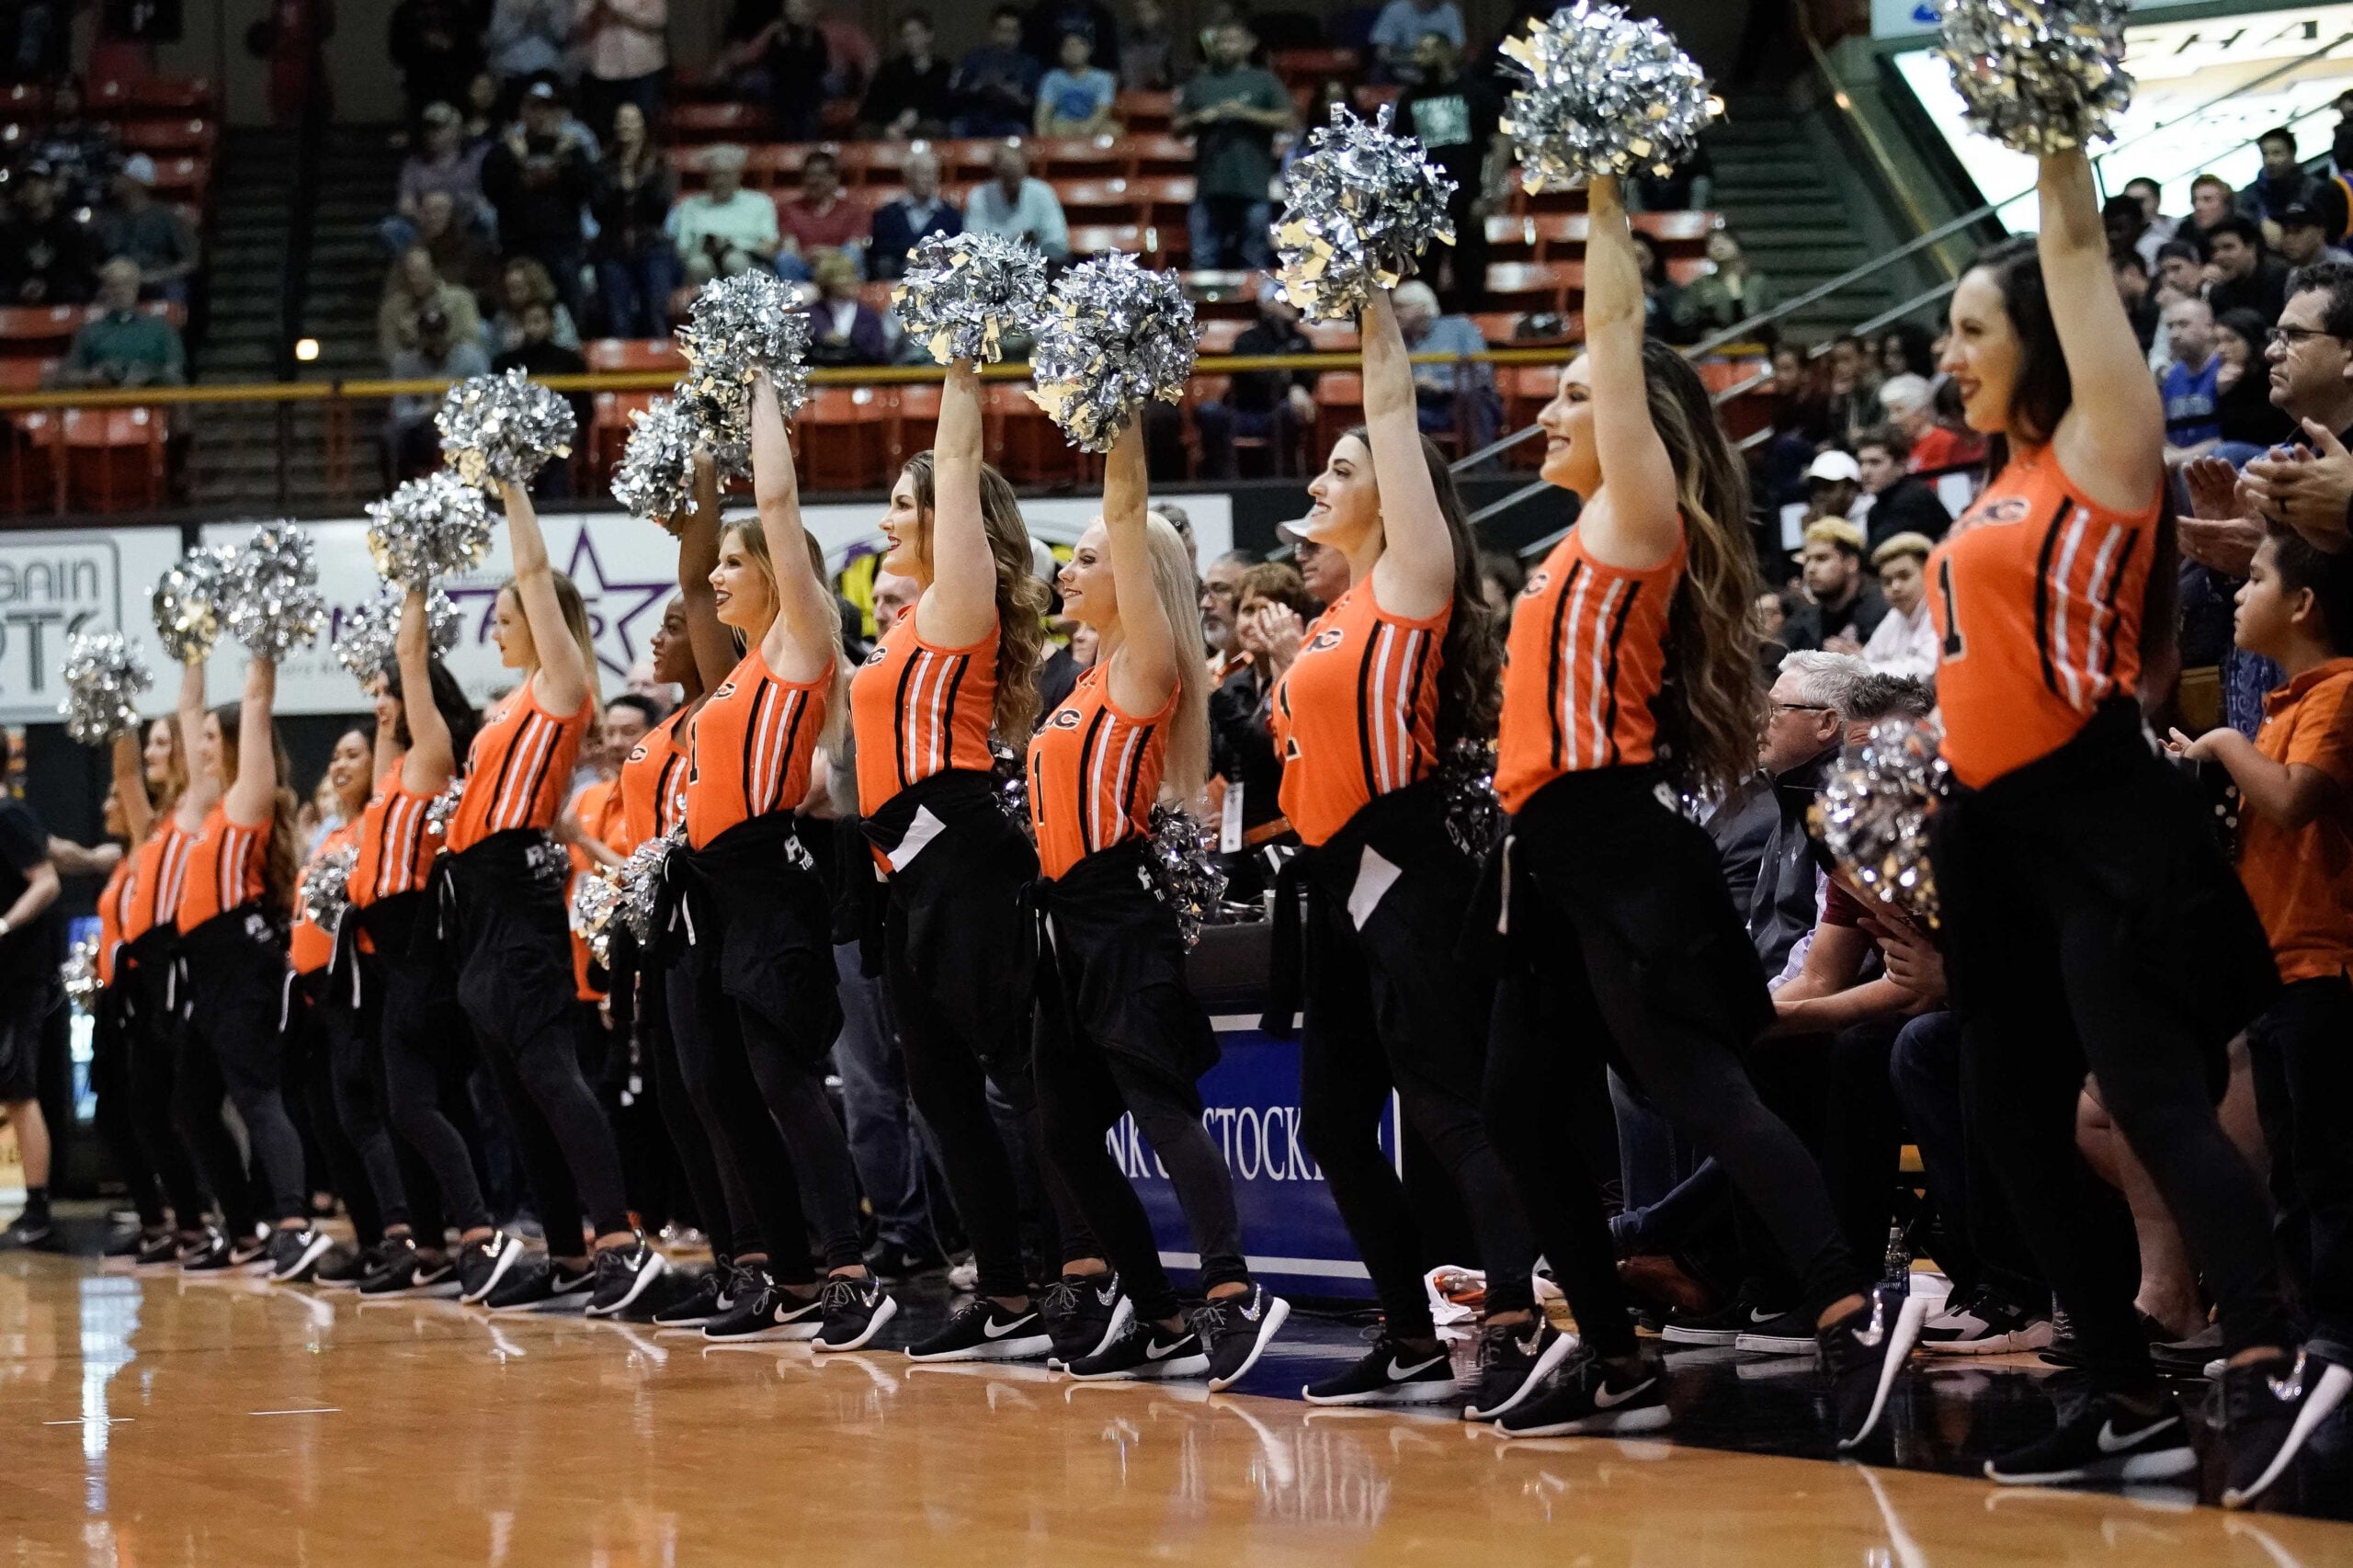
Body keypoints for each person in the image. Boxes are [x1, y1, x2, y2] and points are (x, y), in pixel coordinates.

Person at [1480, 165, 1916, 1448]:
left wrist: (1605, 195)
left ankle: (1845, 1308)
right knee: (1517, 1106)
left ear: (1636, 423)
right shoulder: (1571, 545)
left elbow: (1615, 344)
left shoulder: (1637, 519)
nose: (1553, 409)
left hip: (1613, 838)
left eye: (1576, 394)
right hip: (1543, 852)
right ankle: (1609, 1351)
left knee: (1700, 1087)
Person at [1927, 141, 2309, 1495]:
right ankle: (2119, 1377)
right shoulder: (1999, 480)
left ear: (2040, 341)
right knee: (2010, 1116)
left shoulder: (2104, 445)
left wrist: (2051, 131)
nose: (1947, 350)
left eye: (1971, 327)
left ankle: (2270, 1352)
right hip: (1987, 832)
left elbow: (2079, 253)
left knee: (2146, 1091)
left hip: (2092, 812)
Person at [1256, 281, 1540, 1413]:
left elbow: (1387, 405)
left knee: (1448, 1106)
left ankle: (1515, 1316)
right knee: (1331, 1117)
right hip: (1332, 881)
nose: (1319, 483)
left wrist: (1370, 298)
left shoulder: (1407, 581)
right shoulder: (1328, 618)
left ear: (1395, 490)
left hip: (1409, 867)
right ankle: (1415, 1329)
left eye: (1342, 468)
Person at [1025, 420, 1294, 1386]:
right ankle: (1154, 1304)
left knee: (1161, 1109)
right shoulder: (1077, 681)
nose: (1069, 566)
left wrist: (1118, 413)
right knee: (1060, 1127)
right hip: (1061, 922)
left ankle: (1230, 1293)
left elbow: (1129, 514)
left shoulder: (1145, 669)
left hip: (1117, 912)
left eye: (1089, 556)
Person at [662, 373, 898, 1348]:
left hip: (770, 879)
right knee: (736, 1084)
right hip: (717, 892)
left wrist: (756, 390)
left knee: (787, 1078)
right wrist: (703, 459)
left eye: (732, 564)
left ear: (775, 571)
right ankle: (789, 1268)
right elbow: (688, 579)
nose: (715, 580)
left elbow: (779, 506)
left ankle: (851, 1267)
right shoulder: (735, 668)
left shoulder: (800, 647)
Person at [847, 353, 1066, 1362]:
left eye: (904, 501)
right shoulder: (902, 628)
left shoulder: (956, 603)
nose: (887, 518)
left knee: (1018, 1077)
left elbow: (960, 450)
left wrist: (962, 368)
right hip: (903, 868)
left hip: (967, 850)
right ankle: (1009, 1285)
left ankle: (1080, 1269)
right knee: (937, 1092)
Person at [435, 484, 668, 1314]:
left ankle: (618, 1241)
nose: (494, 628)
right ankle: (568, 1254)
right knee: (514, 1089)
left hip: (516, 896)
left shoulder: (559, 688)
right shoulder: (508, 701)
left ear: (543, 620)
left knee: (551, 1075)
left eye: (506, 615)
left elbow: (534, 565)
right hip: (479, 902)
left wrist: (509, 484)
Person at [2164, 529, 2353, 1489]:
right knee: (2289, 1165)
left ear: (2307, 604)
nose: (2238, 594)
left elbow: (2292, 803)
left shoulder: (2339, 690)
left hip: (2327, 965)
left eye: (2260, 577)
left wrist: (2226, 745)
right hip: (2277, 965)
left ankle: (2335, 1341)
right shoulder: (2282, 702)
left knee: (2326, 1168)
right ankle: (2308, 1335)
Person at [165, 638, 332, 1281]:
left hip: (240, 959)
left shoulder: (247, 800)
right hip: (203, 968)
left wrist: (265, 635)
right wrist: (194, 641)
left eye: (211, 737)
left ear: (235, 743)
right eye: (200, 736)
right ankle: (242, 1229)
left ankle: (291, 1225)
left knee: (257, 1095)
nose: (199, 746)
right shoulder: (207, 805)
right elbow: (186, 710)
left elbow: (258, 700)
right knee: (190, 1106)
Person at [1391, 30, 1507, 313]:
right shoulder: (1409, 99)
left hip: (1468, 200)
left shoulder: (1476, 93)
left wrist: (1489, 191)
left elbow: (1501, 141)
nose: (1418, 57)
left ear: (1446, 52)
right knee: (1423, 280)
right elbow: (1400, 153)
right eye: (1416, 51)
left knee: (1471, 278)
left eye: (1425, 49)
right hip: (1425, 206)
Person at [0, 731, 61, 1249]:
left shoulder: (8, 815)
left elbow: (46, 881)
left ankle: (38, 1209)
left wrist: (2, 925)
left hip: (18, 980)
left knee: (20, 1090)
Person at [1175, 20, 1292, 271]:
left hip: (1252, 185)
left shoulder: (1264, 80)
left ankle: (1251, 309)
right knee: (1203, 258)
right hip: (1209, 186)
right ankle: (1204, 311)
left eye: (1232, 40)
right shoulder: (1200, 82)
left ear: (1250, 44)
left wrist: (1245, 113)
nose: (1225, 46)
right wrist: (1200, 118)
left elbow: (1288, 121)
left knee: (1254, 260)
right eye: (1220, 41)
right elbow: (1176, 127)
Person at [479, 79, 594, 323]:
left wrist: (559, 162)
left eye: (548, 108)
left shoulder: (573, 150)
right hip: (518, 247)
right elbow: (492, 190)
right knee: (516, 315)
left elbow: (586, 189)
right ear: (523, 111)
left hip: (562, 245)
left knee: (571, 314)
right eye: (535, 107)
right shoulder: (504, 151)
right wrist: (521, 164)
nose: (542, 115)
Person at [1194, 280, 1315, 478]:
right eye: (1284, 300)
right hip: (1241, 412)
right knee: (1209, 412)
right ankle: (1222, 481)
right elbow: (1250, 377)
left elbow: (1309, 378)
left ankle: (1281, 479)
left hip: (1277, 413)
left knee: (1289, 413)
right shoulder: (1247, 339)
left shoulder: (1302, 341)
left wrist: (1298, 389)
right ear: (1266, 304)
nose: (1292, 305)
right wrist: (1289, 386)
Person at [587, 98, 678, 339]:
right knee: (617, 317)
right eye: (621, 121)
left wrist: (637, 186)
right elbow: (597, 209)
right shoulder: (602, 165)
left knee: (655, 312)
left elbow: (660, 207)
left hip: (652, 245)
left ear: (642, 126)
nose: (625, 126)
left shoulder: (659, 163)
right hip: (612, 248)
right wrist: (620, 187)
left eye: (631, 121)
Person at [385, 306, 491, 481]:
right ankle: (398, 493)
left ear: (449, 332)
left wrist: (455, 406)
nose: (436, 341)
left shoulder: (471, 357)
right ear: (420, 336)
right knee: (392, 436)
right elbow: (400, 411)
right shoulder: (405, 362)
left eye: (440, 334)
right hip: (421, 428)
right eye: (429, 335)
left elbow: (485, 402)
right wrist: (430, 409)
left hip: (464, 425)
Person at [1392, 279, 1498, 449]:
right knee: (1393, 414)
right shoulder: (1397, 341)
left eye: (1401, 307)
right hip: (1425, 406)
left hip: (1462, 402)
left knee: (1475, 399)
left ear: (1423, 308)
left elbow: (1482, 375)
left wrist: (1443, 386)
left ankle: (1485, 471)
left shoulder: (1460, 327)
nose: (1395, 313)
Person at [55, 258, 186, 389]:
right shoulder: (89, 331)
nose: (120, 291)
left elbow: (174, 369)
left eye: (126, 284)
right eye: (113, 285)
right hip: (101, 398)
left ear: (136, 287)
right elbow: (68, 374)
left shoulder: (161, 328)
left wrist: (147, 376)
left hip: (151, 395)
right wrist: (93, 377)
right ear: (105, 290)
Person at [716, 0, 830, 142]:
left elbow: (822, 64)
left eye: (800, 7)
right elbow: (770, 61)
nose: (795, 11)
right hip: (781, 88)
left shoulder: (816, 36)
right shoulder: (776, 35)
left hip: (808, 89)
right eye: (791, 7)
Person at [672, 143, 780, 287]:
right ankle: (703, 308)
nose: (720, 181)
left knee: (734, 260)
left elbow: (769, 243)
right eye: (714, 175)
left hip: (748, 261)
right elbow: (682, 248)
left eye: (726, 174)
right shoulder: (689, 206)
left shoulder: (760, 202)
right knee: (697, 265)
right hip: (703, 259)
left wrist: (732, 245)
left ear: (739, 175)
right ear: (706, 177)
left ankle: (744, 307)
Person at [96, 156, 198, 305]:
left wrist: (157, 276)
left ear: (135, 182)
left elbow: (189, 261)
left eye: (121, 176)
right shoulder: (109, 218)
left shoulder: (165, 217)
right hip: (118, 281)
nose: (114, 180)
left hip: (155, 281)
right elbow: (96, 260)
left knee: (173, 290)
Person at [390, 101, 490, 248]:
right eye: (429, 129)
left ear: (456, 130)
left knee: (489, 218)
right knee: (391, 228)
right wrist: (427, 217)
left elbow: (484, 198)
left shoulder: (473, 159)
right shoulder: (414, 165)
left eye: (438, 129)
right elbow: (405, 204)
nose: (431, 134)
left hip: (467, 220)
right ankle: (417, 266)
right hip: (426, 222)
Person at [1779, 517, 1887, 653]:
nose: (1810, 569)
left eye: (1822, 558)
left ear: (1851, 563)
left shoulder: (1881, 610)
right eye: (1807, 560)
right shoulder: (1804, 621)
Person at [0, 162, 94, 304]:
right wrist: (22, 285)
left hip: (60, 292)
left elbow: (77, 267)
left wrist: (49, 286)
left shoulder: (69, 228)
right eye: (25, 186)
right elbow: (7, 267)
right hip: (19, 293)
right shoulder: (11, 230)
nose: (31, 190)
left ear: (51, 187)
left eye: (37, 184)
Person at [572, 0, 667, 138]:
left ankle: (643, 156)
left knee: (645, 121)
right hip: (603, 69)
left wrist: (621, 17)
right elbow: (578, 24)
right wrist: (597, 12)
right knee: (607, 125)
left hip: (642, 66)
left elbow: (658, 19)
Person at [963, 142, 1070, 264]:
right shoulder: (979, 195)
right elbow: (973, 244)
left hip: (1038, 266)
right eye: (1006, 174)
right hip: (994, 268)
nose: (1011, 181)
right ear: (996, 170)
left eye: (1015, 174)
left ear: (1025, 168)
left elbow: (1058, 241)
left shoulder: (1042, 192)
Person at [380, 244, 484, 364]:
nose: (415, 279)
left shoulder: (460, 299)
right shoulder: (392, 309)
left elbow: (471, 340)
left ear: (435, 271)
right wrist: (408, 342)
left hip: (454, 364)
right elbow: (390, 354)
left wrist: (434, 340)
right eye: (410, 273)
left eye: (420, 273)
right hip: (415, 369)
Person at [867, 148, 960, 281]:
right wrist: (912, 254)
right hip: (896, 280)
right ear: (906, 177)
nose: (925, 179)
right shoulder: (887, 214)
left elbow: (955, 251)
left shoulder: (951, 216)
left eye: (930, 173)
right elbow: (880, 252)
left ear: (938, 177)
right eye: (919, 173)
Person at [1853, 424, 1951, 548]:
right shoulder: (1875, 510)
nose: (1865, 471)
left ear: (1901, 465)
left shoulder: (1914, 499)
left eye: (1875, 463)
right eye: (1861, 463)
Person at [949, 5, 1040, 138]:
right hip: (974, 118)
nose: (1006, 37)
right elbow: (953, 94)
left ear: (1020, 34)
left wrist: (1016, 97)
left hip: (1011, 121)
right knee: (956, 127)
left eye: (1012, 31)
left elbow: (1038, 104)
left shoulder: (1030, 65)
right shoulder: (973, 59)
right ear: (992, 31)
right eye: (1002, 30)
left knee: (1020, 131)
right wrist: (977, 88)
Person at [2214, 305, 2296, 452]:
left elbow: (2272, 429)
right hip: (2247, 452)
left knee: (2227, 452)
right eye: (2217, 342)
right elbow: (2229, 435)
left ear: (2252, 339)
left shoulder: (2277, 371)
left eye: (2230, 340)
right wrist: (2224, 394)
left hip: (2282, 448)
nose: (2221, 349)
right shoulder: (2228, 379)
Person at [775, 149, 867, 278]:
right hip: (804, 267)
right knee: (785, 259)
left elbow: (855, 246)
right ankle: (795, 297)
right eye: (810, 175)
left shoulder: (854, 211)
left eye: (821, 175)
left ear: (835, 178)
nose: (815, 181)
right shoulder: (789, 210)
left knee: (853, 256)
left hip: (839, 268)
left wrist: (824, 254)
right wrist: (810, 256)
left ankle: (843, 297)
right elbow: (789, 247)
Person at [1671, 228, 1776, 341]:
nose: (1718, 245)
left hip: (1755, 347)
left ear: (1737, 245)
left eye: (1724, 240)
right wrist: (1703, 329)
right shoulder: (1701, 284)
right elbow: (1681, 318)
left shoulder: (1758, 282)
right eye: (1712, 243)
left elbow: (1774, 317)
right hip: (1714, 349)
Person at [860, 8, 952, 138]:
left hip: (924, 126)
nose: (911, 40)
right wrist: (891, 125)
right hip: (890, 126)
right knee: (866, 131)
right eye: (906, 35)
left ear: (929, 35)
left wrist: (918, 115)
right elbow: (870, 108)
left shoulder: (943, 69)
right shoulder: (889, 70)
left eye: (916, 33)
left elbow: (946, 104)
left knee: (934, 129)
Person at [1858, 531, 1937, 679]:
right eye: (1887, 581)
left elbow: (1926, 671)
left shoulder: (1940, 610)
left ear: (1928, 573)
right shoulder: (1895, 616)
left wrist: (1865, 671)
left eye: (1904, 576)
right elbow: (1866, 659)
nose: (1895, 587)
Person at [2160, 293, 2223, 460]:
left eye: (2183, 324)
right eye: (2170, 327)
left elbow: (2234, 435)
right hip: (2181, 467)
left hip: (2221, 462)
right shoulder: (2172, 377)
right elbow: (2165, 436)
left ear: (2209, 328)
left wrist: (2181, 457)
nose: (2174, 334)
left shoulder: (2224, 368)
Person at [803, 248, 889, 366]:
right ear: (827, 281)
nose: (852, 280)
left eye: (853, 274)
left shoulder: (869, 316)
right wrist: (823, 338)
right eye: (844, 276)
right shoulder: (809, 315)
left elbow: (879, 354)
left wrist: (852, 346)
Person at [2206, 215, 2291, 326]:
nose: (2219, 256)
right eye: (2214, 250)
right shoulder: (2218, 292)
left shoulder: (2281, 278)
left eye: (2228, 247)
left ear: (2251, 248)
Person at [486, 255, 581, 354]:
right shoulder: (502, 319)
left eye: (518, 289)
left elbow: (571, 348)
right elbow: (495, 357)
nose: (512, 296)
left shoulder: (556, 312)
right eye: (507, 290)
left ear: (534, 286)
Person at [1034, 28, 1117, 136]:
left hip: (1094, 125)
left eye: (1078, 46)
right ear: (1060, 52)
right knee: (1050, 128)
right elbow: (1043, 111)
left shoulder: (1103, 78)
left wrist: (1089, 127)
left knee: (1113, 130)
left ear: (1089, 49)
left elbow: (1103, 110)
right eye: (1068, 46)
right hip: (1062, 125)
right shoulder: (1052, 78)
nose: (1073, 51)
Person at [2240, 126, 2322, 227]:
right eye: (2265, 154)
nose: (2269, 161)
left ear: (2292, 154)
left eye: (2276, 153)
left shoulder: (2313, 189)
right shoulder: (2250, 195)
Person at [1368, 0, 1462, 84]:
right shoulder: (1395, 10)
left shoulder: (1450, 11)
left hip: (1439, 72)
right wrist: (1416, 60)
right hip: (1402, 71)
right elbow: (1382, 53)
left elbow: (1456, 48)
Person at [483, 0, 570, 85]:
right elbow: (496, 40)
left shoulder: (560, 2)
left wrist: (544, 27)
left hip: (545, 74)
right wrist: (524, 25)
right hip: (507, 70)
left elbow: (562, 42)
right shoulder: (504, 2)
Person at [2278, 199, 2353, 271]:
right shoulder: (2293, 271)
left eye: (2298, 231)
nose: (2289, 239)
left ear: (2320, 233)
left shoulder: (2340, 265)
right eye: (2286, 231)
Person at [1119, 0, 1174, 89]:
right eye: (1139, 11)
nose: (1142, 17)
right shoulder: (1127, 41)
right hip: (1132, 94)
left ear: (1160, 12)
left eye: (1147, 10)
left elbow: (1173, 76)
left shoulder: (1168, 41)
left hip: (1160, 94)